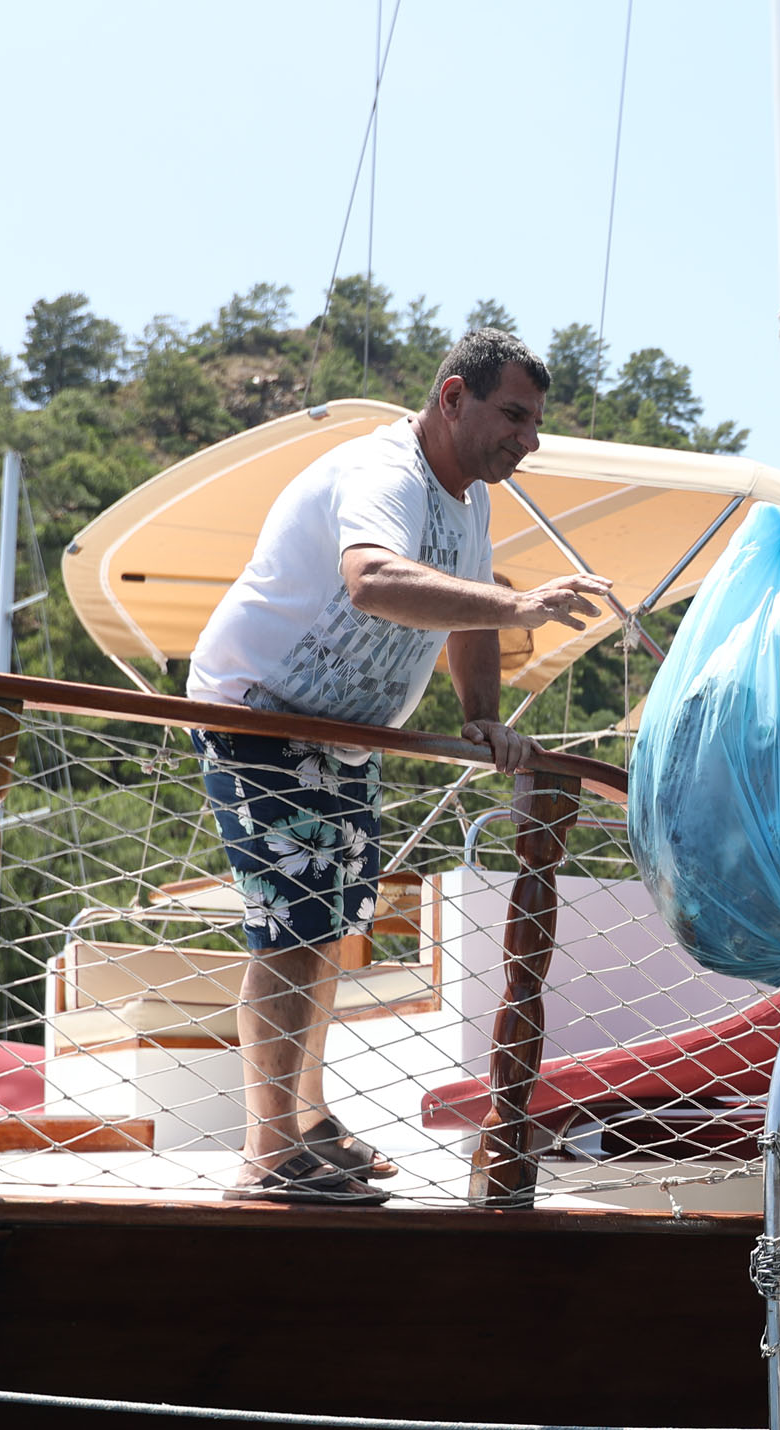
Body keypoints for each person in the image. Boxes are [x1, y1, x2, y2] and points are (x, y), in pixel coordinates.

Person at [186, 328, 613, 1203]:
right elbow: (373, 579)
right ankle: (268, 1157)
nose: (527, 439)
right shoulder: (387, 473)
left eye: (535, 423)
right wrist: (521, 599)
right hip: (256, 711)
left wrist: (486, 720)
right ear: (452, 398)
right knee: (293, 925)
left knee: (333, 923)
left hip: (345, 735)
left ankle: (304, 1120)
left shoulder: (470, 499)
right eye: (513, 416)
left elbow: (468, 621)